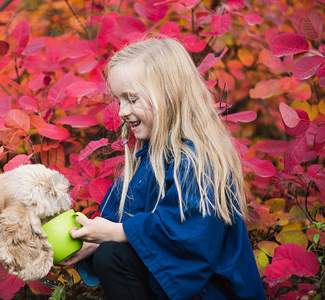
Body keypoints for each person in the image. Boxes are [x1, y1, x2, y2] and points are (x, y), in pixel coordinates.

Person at [62, 37, 266, 300]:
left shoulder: (198, 160)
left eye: (132, 99)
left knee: (112, 252)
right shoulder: (144, 159)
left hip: (211, 292)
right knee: (110, 253)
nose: (122, 111)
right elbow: (118, 220)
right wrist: (91, 239)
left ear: (169, 95)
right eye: (119, 100)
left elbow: (189, 236)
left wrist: (117, 233)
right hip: (166, 287)